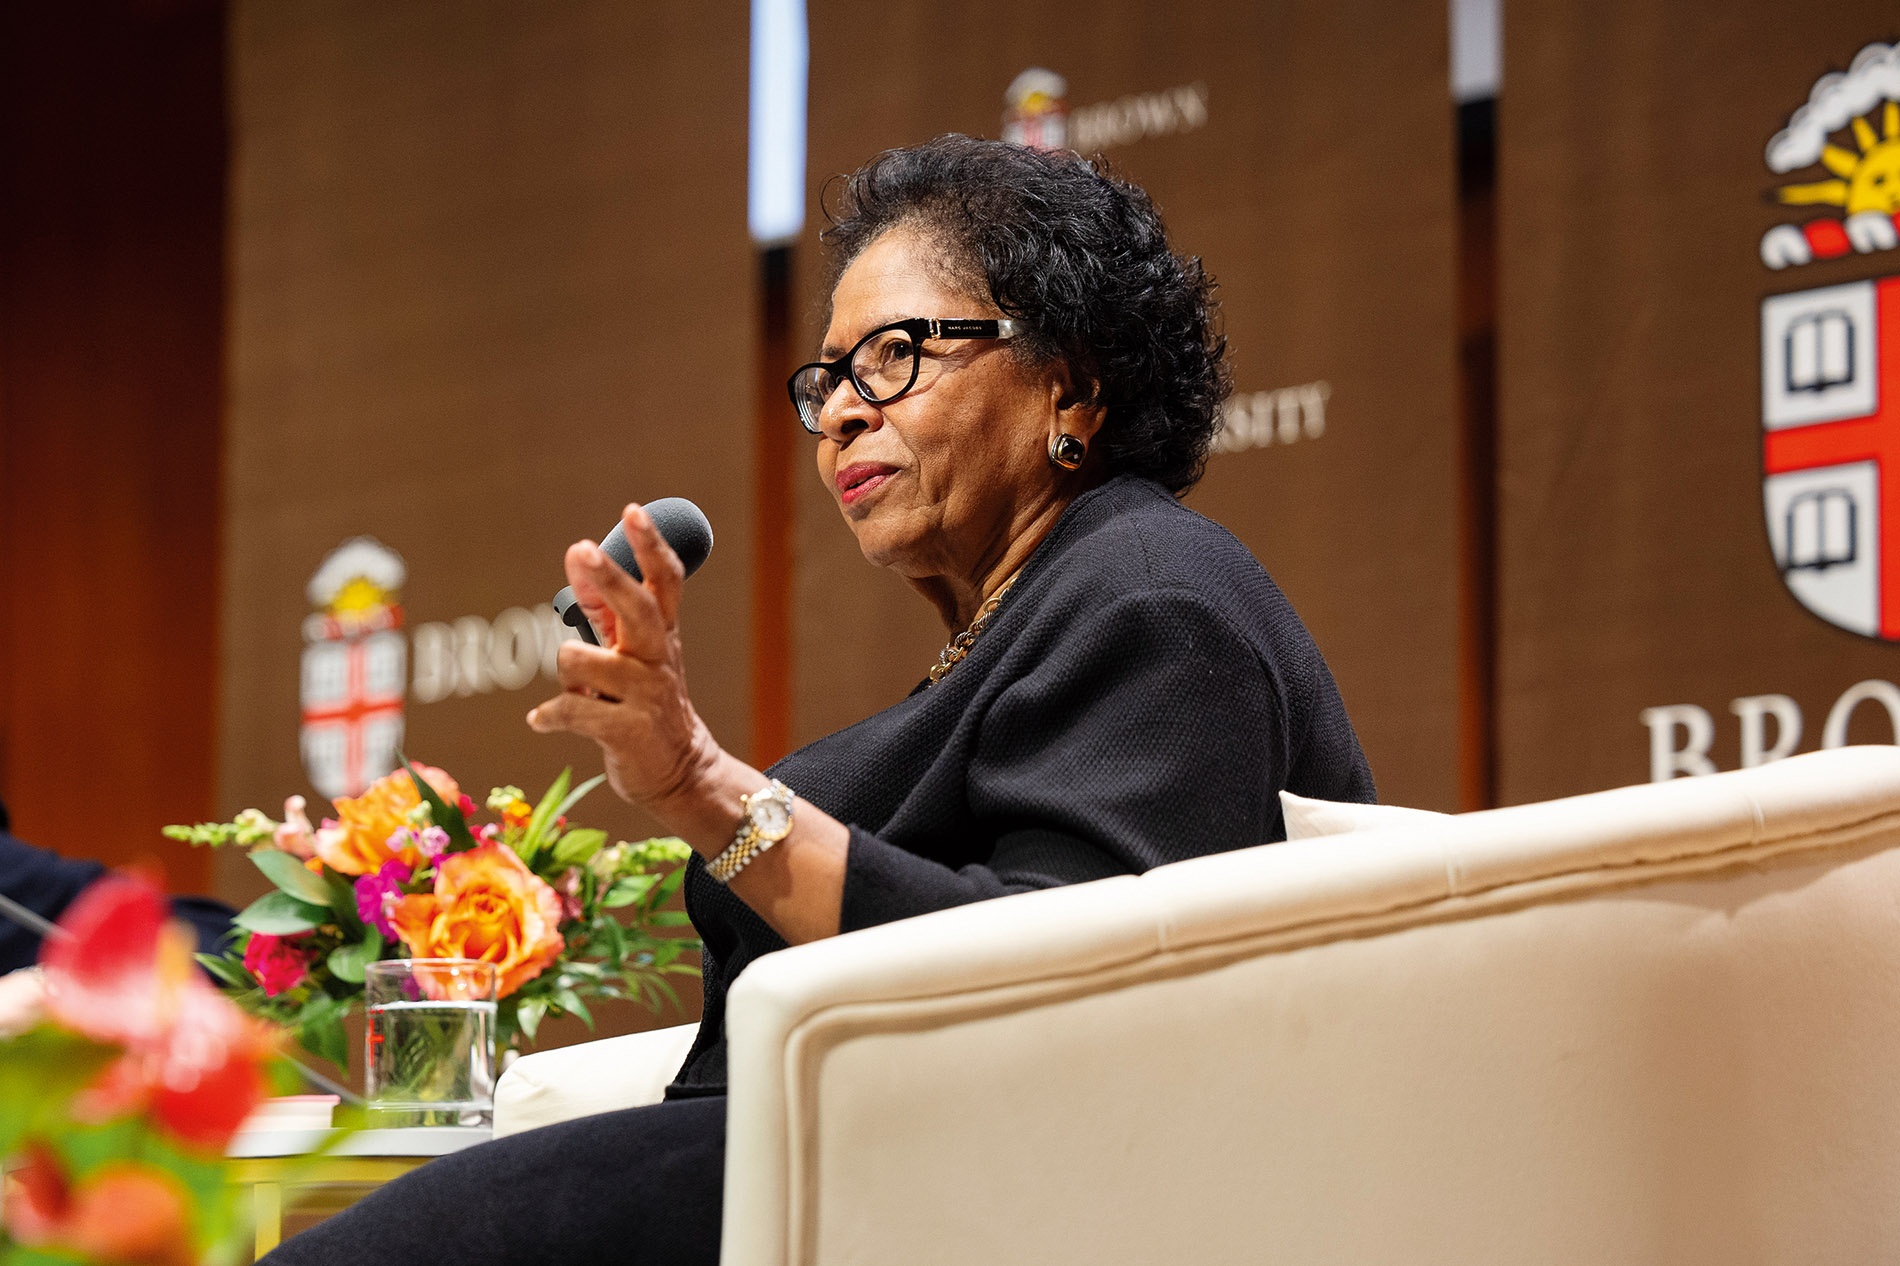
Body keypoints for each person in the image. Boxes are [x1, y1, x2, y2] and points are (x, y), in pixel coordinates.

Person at [266, 134, 1374, 1266]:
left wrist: (706, 790)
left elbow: (1063, 993)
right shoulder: (1035, 614)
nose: (841, 412)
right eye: (828, 379)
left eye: (894, 356)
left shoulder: (1152, 598)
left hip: (963, 1192)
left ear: (1070, 384)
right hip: (843, 1165)